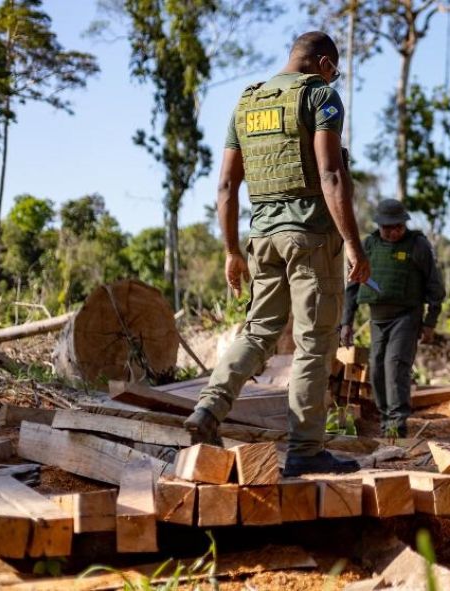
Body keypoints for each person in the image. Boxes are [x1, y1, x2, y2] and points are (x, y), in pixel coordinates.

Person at [183, 31, 370, 477]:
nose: (334, 76)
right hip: (309, 237)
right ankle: (305, 449)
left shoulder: (246, 104)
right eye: (335, 69)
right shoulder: (321, 96)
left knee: (257, 331)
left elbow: (227, 185)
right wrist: (353, 243)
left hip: (262, 238)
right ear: (323, 63)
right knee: (313, 342)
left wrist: (232, 251)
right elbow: (330, 173)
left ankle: (209, 407)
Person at [340, 200, 446, 437]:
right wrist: (346, 323)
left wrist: (430, 322)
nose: (392, 232)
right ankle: (385, 418)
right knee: (377, 367)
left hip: (406, 317)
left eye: (397, 227)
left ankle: (397, 425)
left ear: (404, 224)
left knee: (395, 365)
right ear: (378, 225)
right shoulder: (368, 245)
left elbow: (435, 286)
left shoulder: (417, 245)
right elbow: (352, 288)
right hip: (377, 319)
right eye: (387, 228)